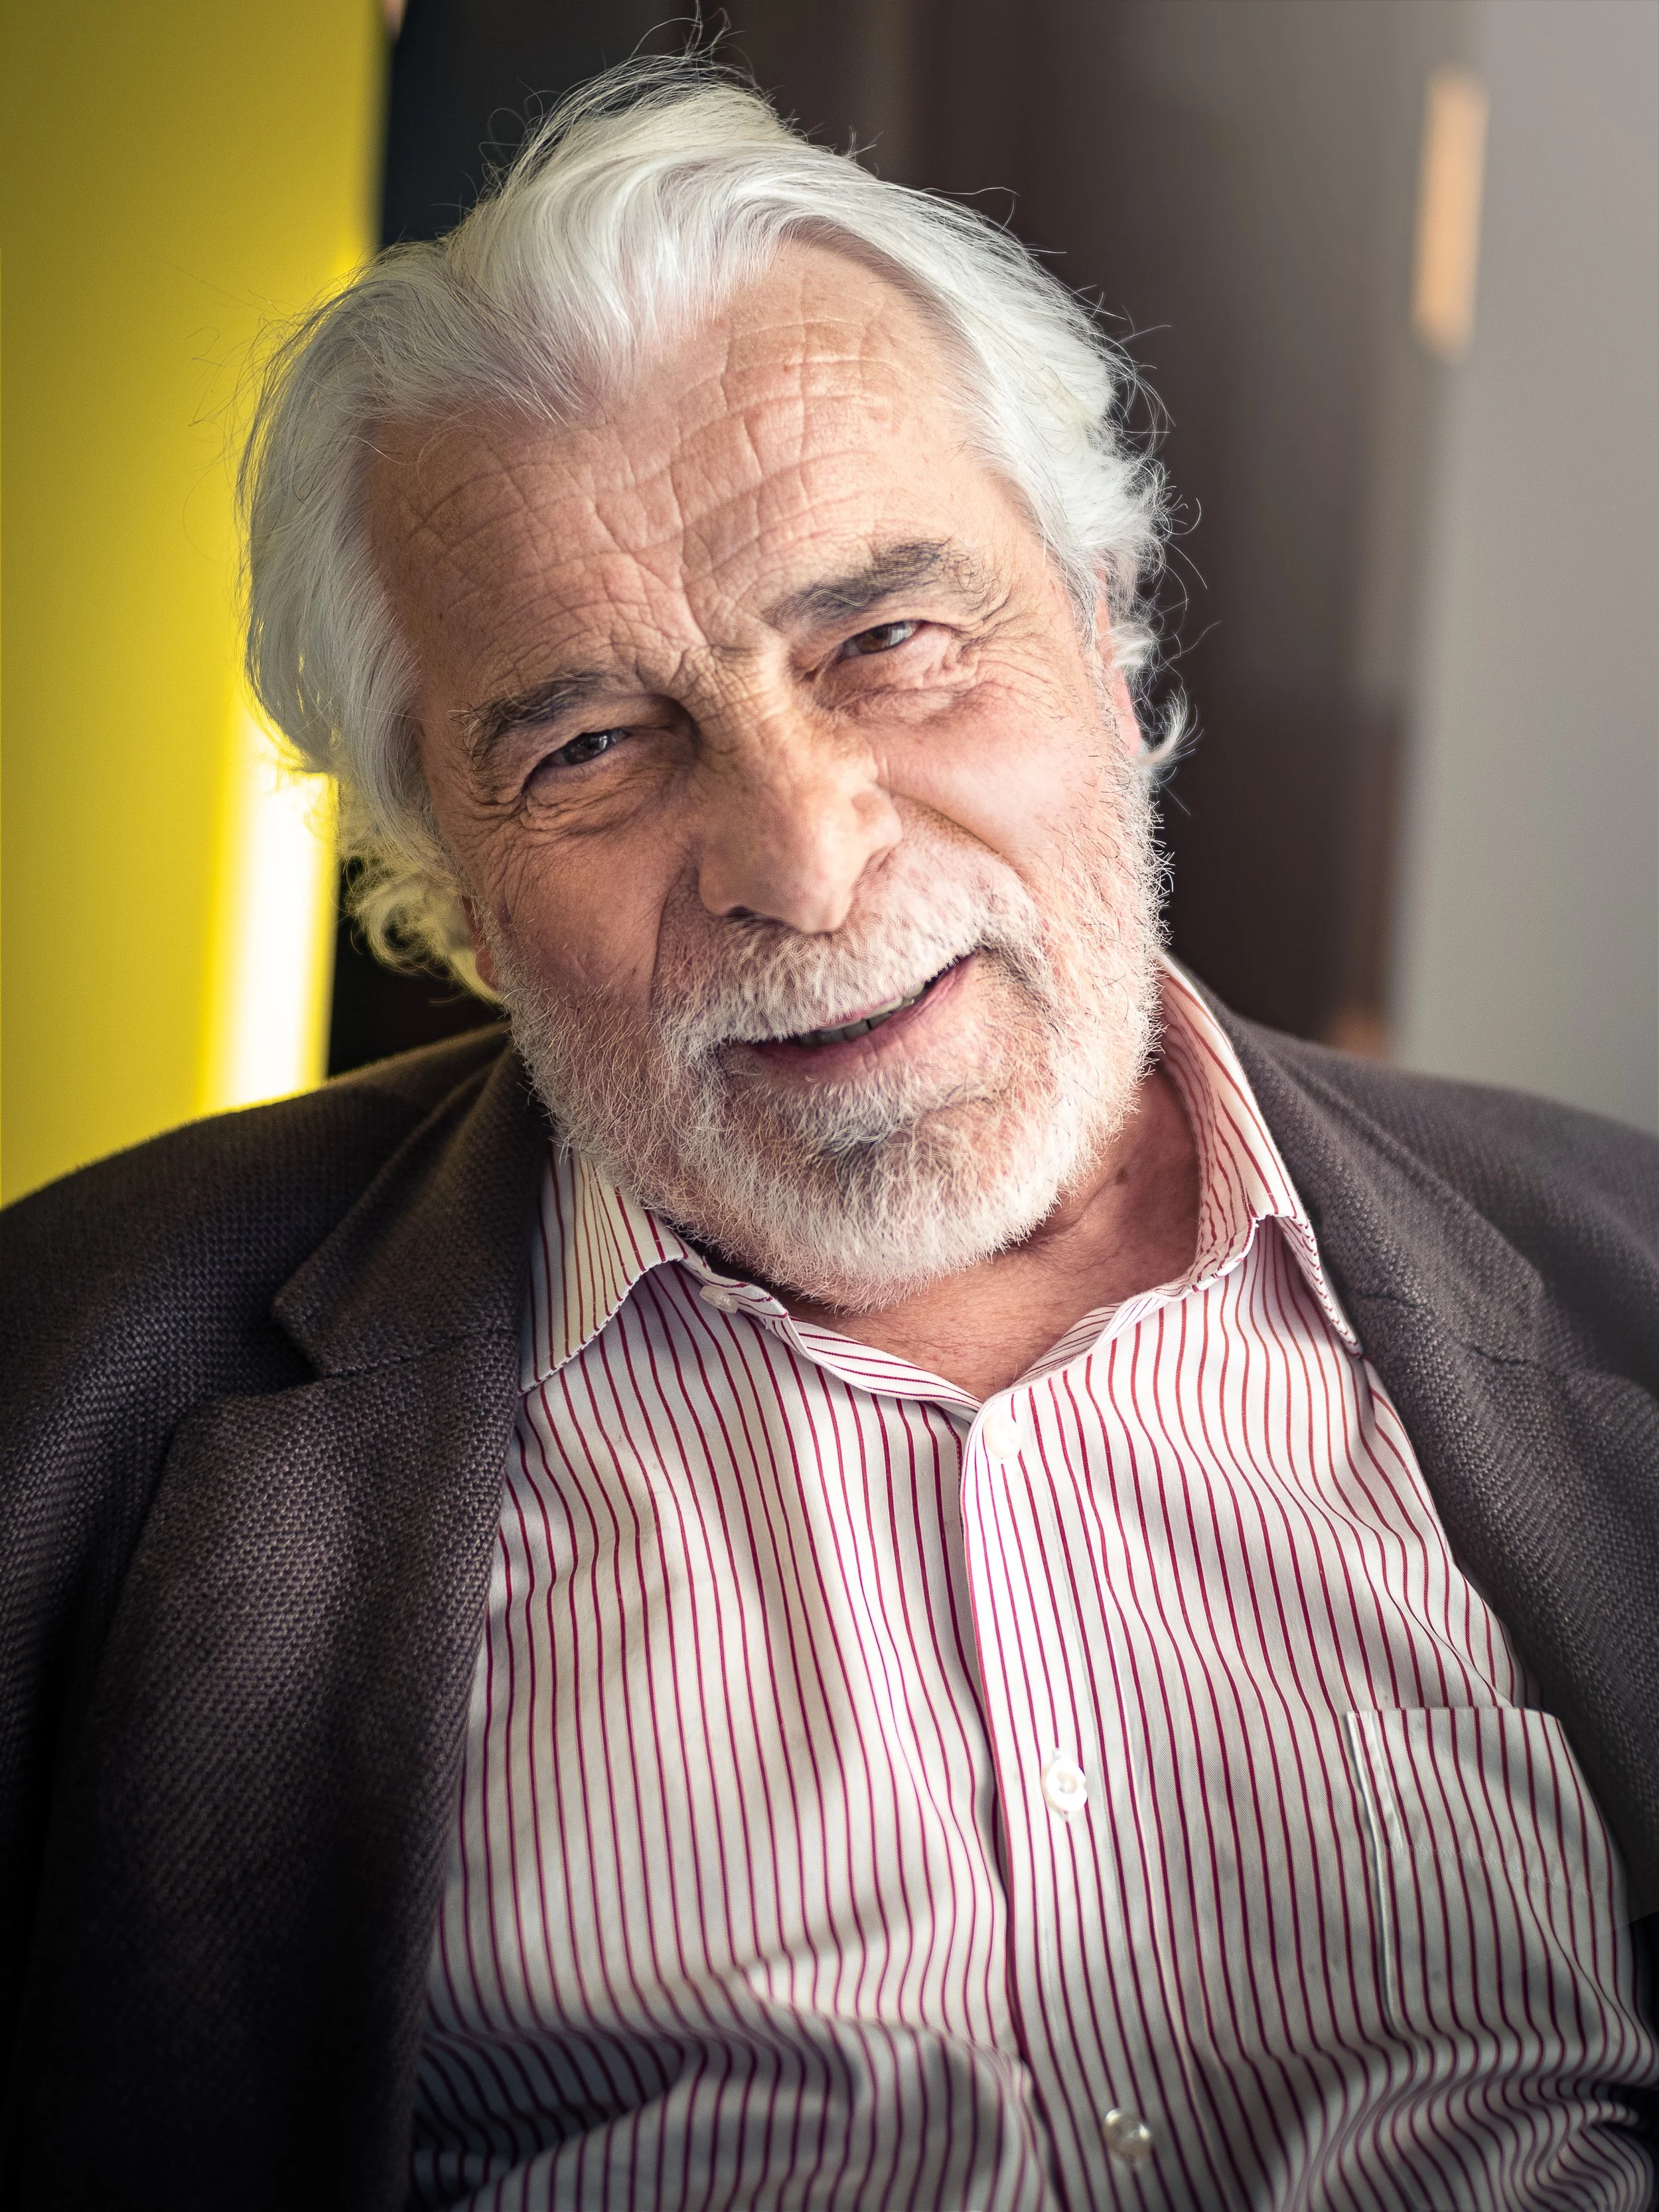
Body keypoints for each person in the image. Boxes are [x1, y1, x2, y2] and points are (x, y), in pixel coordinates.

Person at [3, 60, 1656, 2212]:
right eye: (592, 742)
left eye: (887, 636)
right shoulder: (69, 1384)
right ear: (451, 888)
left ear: (1100, 617)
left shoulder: (1625, 1269)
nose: (800, 852)